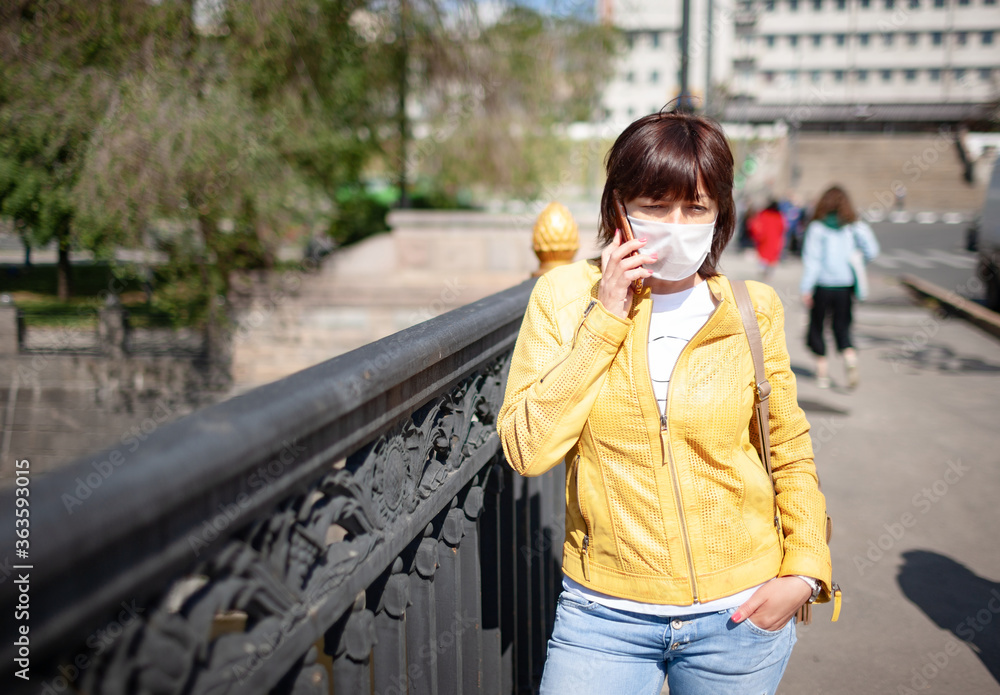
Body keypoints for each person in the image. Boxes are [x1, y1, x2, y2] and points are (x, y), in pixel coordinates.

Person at [497, 110, 832, 695]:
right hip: (604, 615)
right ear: (618, 207)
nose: (676, 223)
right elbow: (527, 448)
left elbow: (788, 449)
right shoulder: (564, 295)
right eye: (655, 204)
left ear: (719, 213)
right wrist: (606, 317)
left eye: (695, 207)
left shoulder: (753, 309)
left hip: (740, 614)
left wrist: (804, 571)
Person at [799, 185, 880, 389]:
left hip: (822, 285)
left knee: (817, 327)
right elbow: (872, 249)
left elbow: (812, 261)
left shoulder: (817, 227)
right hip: (846, 286)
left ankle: (822, 373)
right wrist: (859, 260)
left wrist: (806, 288)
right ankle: (850, 358)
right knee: (842, 326)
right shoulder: (852, 226)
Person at [748, 200, 786, 279]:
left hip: (764, 238)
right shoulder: (779, 216)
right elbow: (783, 227)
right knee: (772, 255)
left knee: (763, 254)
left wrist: (756, 236)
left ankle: (762, 269)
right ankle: (769, 270)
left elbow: (756, 224)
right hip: (775, 238)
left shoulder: (763, 214)